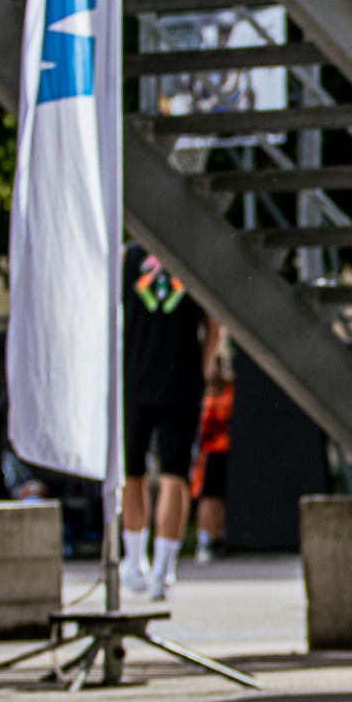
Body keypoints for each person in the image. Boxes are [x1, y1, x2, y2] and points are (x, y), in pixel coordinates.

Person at [121, 243, 223, 602]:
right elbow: (214, 327)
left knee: (132, 472)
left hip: (134, 378)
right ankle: (162, 571)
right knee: (173, 475)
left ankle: (135, 560)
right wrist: (203, 368)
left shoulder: (128, 256)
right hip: (181, 382)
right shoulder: (192, 257)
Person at [192, 366, 232, 564]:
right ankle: (205, 541)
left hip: (221, 450)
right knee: (208, 498)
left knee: (216, 498)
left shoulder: (226, 393)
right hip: (209, 452)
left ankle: (216, 538)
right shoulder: (208, 398)